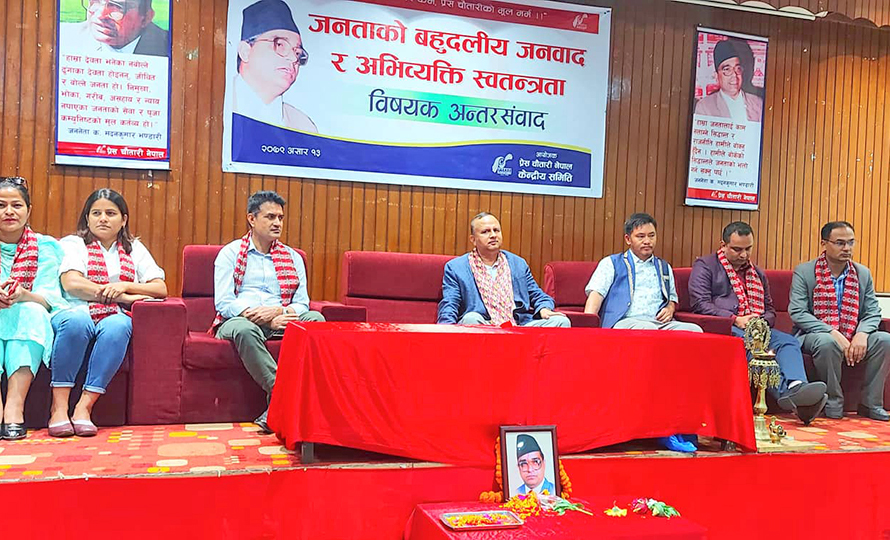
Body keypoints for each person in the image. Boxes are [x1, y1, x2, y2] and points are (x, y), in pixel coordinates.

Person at [50, 189, 167, 437]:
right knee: (78, 321)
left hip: (113, 315)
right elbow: (72, 284)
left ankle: (84, 407)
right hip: (73, 308)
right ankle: (58, 408)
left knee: (119, 326)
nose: (103, 218)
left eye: (110, 213)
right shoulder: (73, 244)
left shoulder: (134, 248)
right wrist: (123, 297)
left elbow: (160, 288)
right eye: (96, 213)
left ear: (123, 220)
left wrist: (124, 285)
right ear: (87, 218)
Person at [688, 221, 827, 424]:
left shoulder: (757, 273)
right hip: (726, 327)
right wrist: (735, 319)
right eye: (737, 249)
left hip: (757, 328)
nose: (743, 255)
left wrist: (760, 321)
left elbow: (770, 309)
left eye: (748, 249)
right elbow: (700, 304)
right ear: (723, 245)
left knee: (788, 342)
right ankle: (791, 397)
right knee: (755, 348)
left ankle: (797, 386)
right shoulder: (706, 266)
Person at [584, 213, 701, 453]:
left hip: (659, 324)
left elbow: (672, 300)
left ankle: (685, 415)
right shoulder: (611, 263)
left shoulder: (664, 267)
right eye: (640, 236)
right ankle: (660, 423)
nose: (647, 241)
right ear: (628, 239)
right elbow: (595, 296)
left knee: (695, 332)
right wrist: (588, 329)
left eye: (651, 235)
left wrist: (670, 308)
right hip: (624, 323)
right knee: (649, 334)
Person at [213, 190, 325, 433]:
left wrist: (277, 312)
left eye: (280, 218)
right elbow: (224, 302)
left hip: (281, 316)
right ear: (251, 219)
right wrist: (256, 315)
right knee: (245, 330)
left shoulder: (293, 257)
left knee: (316, 319)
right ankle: (282, 395)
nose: (277, 223)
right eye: (270, 217)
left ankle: (279, 404)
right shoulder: (230, 254)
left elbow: (302, 303)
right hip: (240, 319)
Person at [789, 221, 890, 421]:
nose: (847, 248)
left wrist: (862, 334)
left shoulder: (862, 273)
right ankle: (833, 403)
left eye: (851, 242)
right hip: (813, 335)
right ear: (824, 243)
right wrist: (832, 332)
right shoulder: (805, 271)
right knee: (827, 342)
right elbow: (798, 312)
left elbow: (872, 312)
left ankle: (870, 403)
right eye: (840, 243)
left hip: (853, 333)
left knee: (884, 340)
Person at [0, 177, 66, 440]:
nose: (9, 211)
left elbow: (51, 298)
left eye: (16, 205)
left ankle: (14, 407)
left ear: (29, 210)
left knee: (33, 312)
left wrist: (23, 295)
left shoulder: (45, 247)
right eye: (1, 205)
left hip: (28, 310)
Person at [437, 212, 569, 328]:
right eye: (485, 232)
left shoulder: (518, 264)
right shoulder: (456, 267)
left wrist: (544, 308)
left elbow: (537, 295)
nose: (493, 235)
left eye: (496, 230)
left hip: (519, 325)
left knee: (561, 322)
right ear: (473, 240)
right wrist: (445, 330)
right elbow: (450, 303)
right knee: (470, 319)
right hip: (484, 325)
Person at [231, 0, 318, 132]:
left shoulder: (303, 126)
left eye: (297, 52)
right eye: (280, 45)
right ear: (245, 51)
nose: (293, 58)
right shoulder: (214, 102)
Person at [59, 0, 169, 57]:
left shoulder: (169, 50)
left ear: (146, 18)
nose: (100, 15)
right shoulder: (62, 39)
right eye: (95, 1)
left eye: (117, 7)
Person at [694, 39, 764, 123]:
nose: (734, 75)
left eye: (737, 68)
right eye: (727, 69)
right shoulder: (705, 107)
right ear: (716, 76)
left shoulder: (758, 103)